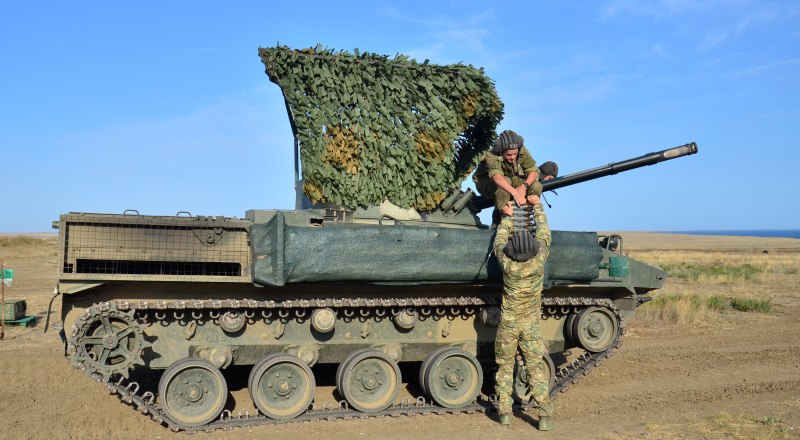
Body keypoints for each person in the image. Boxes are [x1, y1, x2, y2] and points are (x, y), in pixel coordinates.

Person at [492, 195, 554, 431]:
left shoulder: (507, 265)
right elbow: (545, 235)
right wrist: (537, 206)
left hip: (508, 324)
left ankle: (505, 414)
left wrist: (507, 218)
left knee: (504, 368)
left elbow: (499, 242)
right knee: (535, 369)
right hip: (530, 326)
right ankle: (545, 416)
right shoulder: (539, 262)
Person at [473, 130, 542, 212]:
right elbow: (497, 177)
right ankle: (502, 213)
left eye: (515, 154)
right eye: (509, 155)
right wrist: (515, 193)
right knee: (505, 182)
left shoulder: (522, 150)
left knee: (536, 185)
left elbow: (533, 171)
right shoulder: (491, 155)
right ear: (501, 152)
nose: (512, 157)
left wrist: (524, 186)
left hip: (510, 178)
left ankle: (526, 212)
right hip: (486, 183)